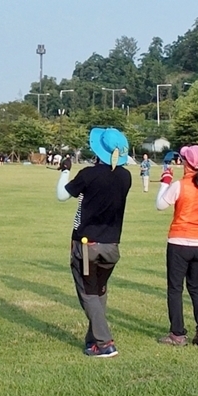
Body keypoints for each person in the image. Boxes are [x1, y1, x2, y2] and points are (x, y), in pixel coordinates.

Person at [56, 128, 133, 357]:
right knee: (99, 292)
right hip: (111, 245)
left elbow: (62, 195)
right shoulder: (125, 176)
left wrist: (64, 172)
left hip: (87, 244)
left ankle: (105, 343)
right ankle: (92, 341)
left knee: (88, 294)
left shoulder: (89, 174)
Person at [155, 145, 198, 346]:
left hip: (179, 242)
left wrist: (165, 182)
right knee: (196, 287)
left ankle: (177, 334)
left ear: (186, 163)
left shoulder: (180, 185)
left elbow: (160, 205)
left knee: (175, 289)